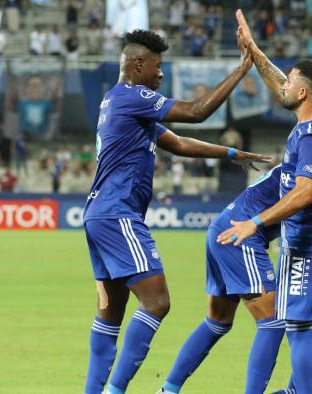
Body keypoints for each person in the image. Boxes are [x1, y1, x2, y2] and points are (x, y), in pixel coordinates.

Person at [81, 29, 270, 394]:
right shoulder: (135, 97)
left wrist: (231, 154)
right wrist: (243, 68)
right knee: (157, 302)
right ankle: (114, 389)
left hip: (98, 215)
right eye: (157, 66)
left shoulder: (117, 101)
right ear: (138, 65)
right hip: (118, 213)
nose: (161, 74)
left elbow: (179, 142)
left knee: (110, 314)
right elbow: (197, 113)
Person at [159, 164, 312, 394]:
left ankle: (169, 389)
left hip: (225, 228)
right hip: (243, 235)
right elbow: (299, 216)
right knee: (273, 321)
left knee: (218, 321)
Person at [218, 10, 312, 393]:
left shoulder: (309, 137)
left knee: (298, 329)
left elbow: (304, 194)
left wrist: (255, 223)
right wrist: (255, 51)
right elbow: (281, 85)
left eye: (291, 82)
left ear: (304, 93)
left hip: (308, 244)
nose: (284, 86)